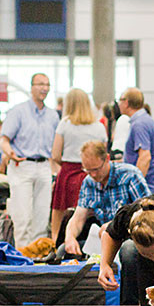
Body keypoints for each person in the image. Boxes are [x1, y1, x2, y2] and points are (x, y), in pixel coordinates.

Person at [62, 141, 150, 257]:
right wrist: (70, 237)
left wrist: (114, 225)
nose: (93, 175)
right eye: (88, 170)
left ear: (107, 159)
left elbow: (147, 212)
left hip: (130, 236)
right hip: (104, 239)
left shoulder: (130, 175)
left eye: (96, 169)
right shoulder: (89, 182)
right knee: (64, 250)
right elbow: (78, 218)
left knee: (127, 250)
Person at [0, 73, 59, 246]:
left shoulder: (53, 115)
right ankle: (21, 258)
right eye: (40, 84)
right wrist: (10, 153)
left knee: (41, 217)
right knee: (23, 217)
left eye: (47, 85)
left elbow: (55, 146)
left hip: (44, 167)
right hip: (22, 165)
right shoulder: (18, 111)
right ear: (31, 87)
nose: (44, 88)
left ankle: (38, 258)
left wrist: (56, 170)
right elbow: (4, 139)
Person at [50, 87, 108, 243]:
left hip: (68, 172)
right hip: (93, 174)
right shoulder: (99, 126)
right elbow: (103, 152)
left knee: (59, 210)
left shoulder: (64, 124)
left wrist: (64, 163)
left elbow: (55, 154)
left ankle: (56, 243)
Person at [118, 87, 154, 193]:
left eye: (120, 100)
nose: (118, 104)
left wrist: (136, 187)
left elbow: (145, 157)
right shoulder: (144, 120)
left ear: (126, 103)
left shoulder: (140, 124)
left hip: (149, 187)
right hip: (152, 184)